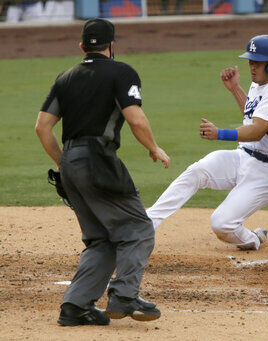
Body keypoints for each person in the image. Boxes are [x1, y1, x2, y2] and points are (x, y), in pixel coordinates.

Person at [35, 18, 170, 326]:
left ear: (82, 47)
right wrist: (154, 147)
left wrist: (64, 162)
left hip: (70, 161)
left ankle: (76, 306)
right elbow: (135, 118)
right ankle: (124, 295)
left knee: (101, 240)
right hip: (98, 160)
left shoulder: (65, 77)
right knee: (138, 229)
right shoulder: (121, 72)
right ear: (112, 45)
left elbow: (42, 127)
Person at [147, 35, 268, 251]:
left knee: (221, 224)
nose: (251, 66)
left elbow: (258, 130)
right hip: (243, 156)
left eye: (257, 62)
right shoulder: (260, 83)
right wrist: (235, 88)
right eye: (250, 61)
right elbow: (253, 115)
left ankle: (252, 239)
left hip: (267, 173)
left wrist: (220, 133)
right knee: (196, 171)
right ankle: (146, 223)